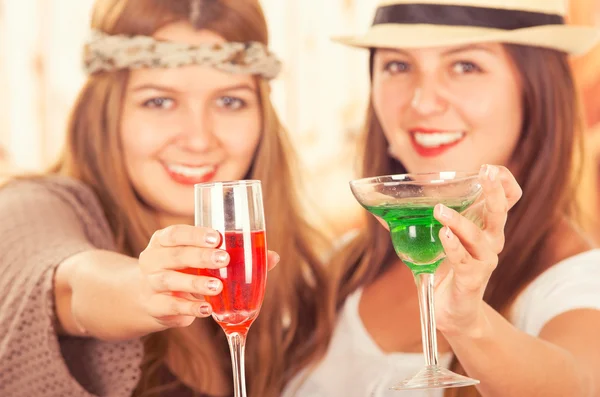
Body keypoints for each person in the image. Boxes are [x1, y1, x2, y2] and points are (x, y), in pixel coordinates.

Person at [0, 1, 331, 396]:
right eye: (159, 101)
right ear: (105, 111)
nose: (198, 139)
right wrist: (141, 288)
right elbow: (71, 286)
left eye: (229, 101)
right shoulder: (30, 207)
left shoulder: (291, 272)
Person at [284, 1, 600, 396]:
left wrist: (467, 322)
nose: (422, 102)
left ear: (536, 91)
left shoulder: (579, 281)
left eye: (465, 66)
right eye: (398, 66)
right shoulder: (342, 267)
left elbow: (582, 384)